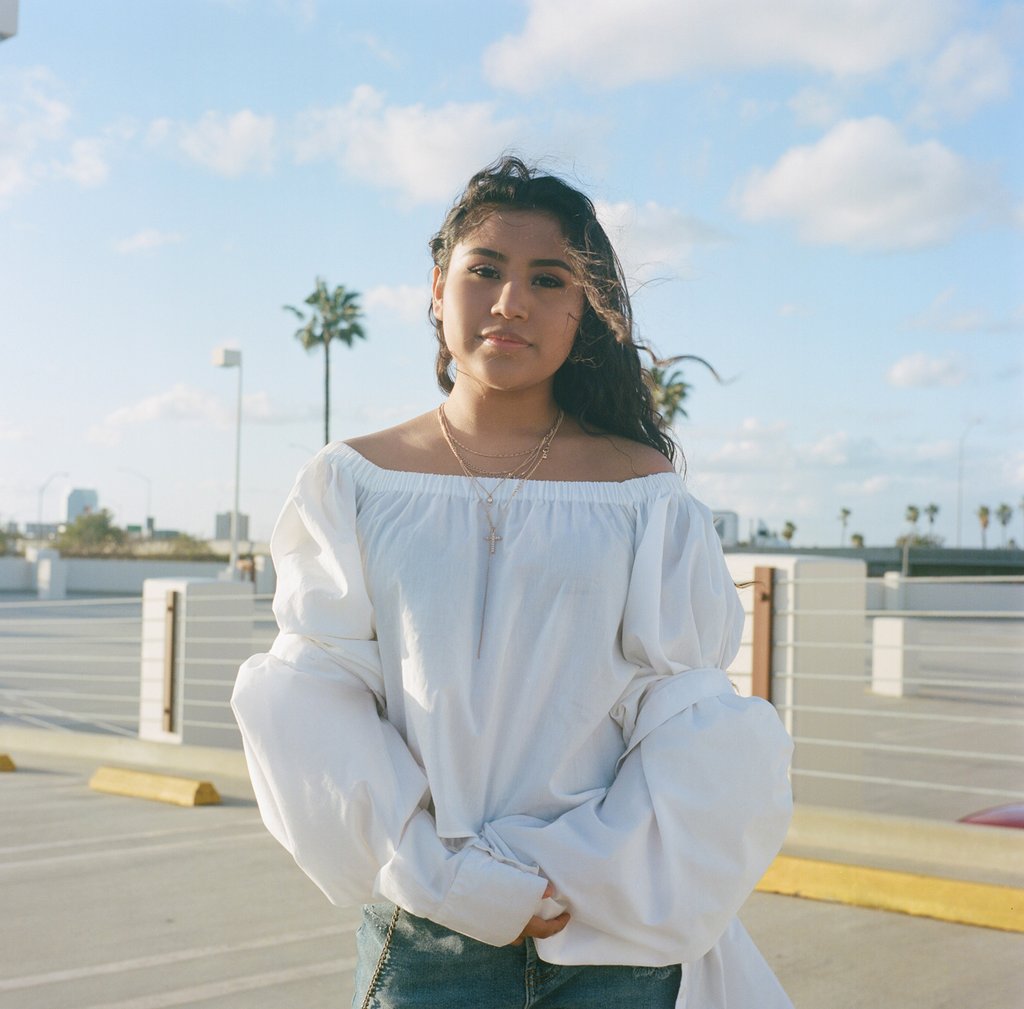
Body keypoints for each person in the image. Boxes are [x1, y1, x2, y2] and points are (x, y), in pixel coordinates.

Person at [231, 156, 794, 1009]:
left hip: (606, 935)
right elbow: (317, 696)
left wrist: (581, 875)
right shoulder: (353, 480)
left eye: (548, 278)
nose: (510, 301)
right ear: (436, 287)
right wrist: (448, 878)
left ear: (582, 309)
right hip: (429, 942)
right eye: (484, 270)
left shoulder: (641, 491)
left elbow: (685, 711)